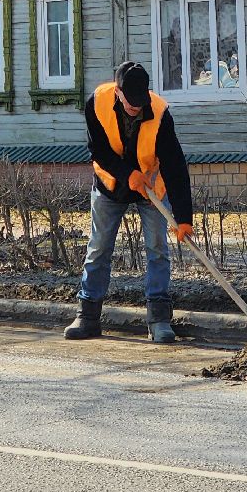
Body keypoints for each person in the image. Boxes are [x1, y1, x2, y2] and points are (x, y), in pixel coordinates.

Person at [65, 61, 194, 344]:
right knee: (98, 249)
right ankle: (87, 316)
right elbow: (98, 151)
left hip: (151, 190)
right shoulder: (97, 103)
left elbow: (174, 166)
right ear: (118, 92)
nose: (136, 107)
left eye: (141, 101)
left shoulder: (160, 113)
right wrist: (127, 174)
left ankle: (159, 319)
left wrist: (184, 218)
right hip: (110, 186)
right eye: (131, 102)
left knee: (158, 250)